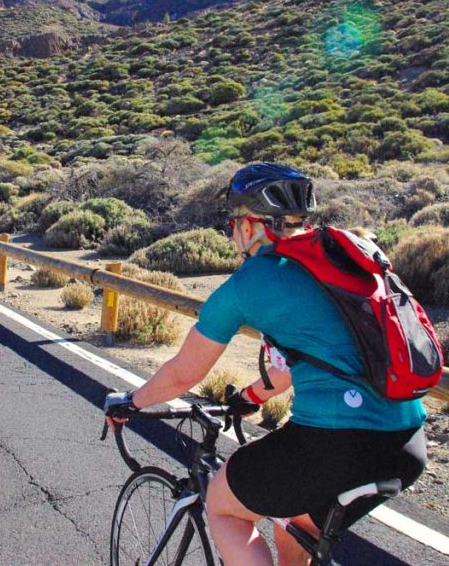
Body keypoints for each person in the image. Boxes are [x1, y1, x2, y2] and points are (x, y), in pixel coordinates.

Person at [104, 163, 427, 566]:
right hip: (407, 441)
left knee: (224, 504)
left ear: (253, 224)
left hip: (337, 442)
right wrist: (251, 396)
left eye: (233, 222)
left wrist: (131, 403)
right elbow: (315, 356)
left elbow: (184, 373)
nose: (232, 233)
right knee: (293, 526)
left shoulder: (255, 280)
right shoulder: (342, 255)